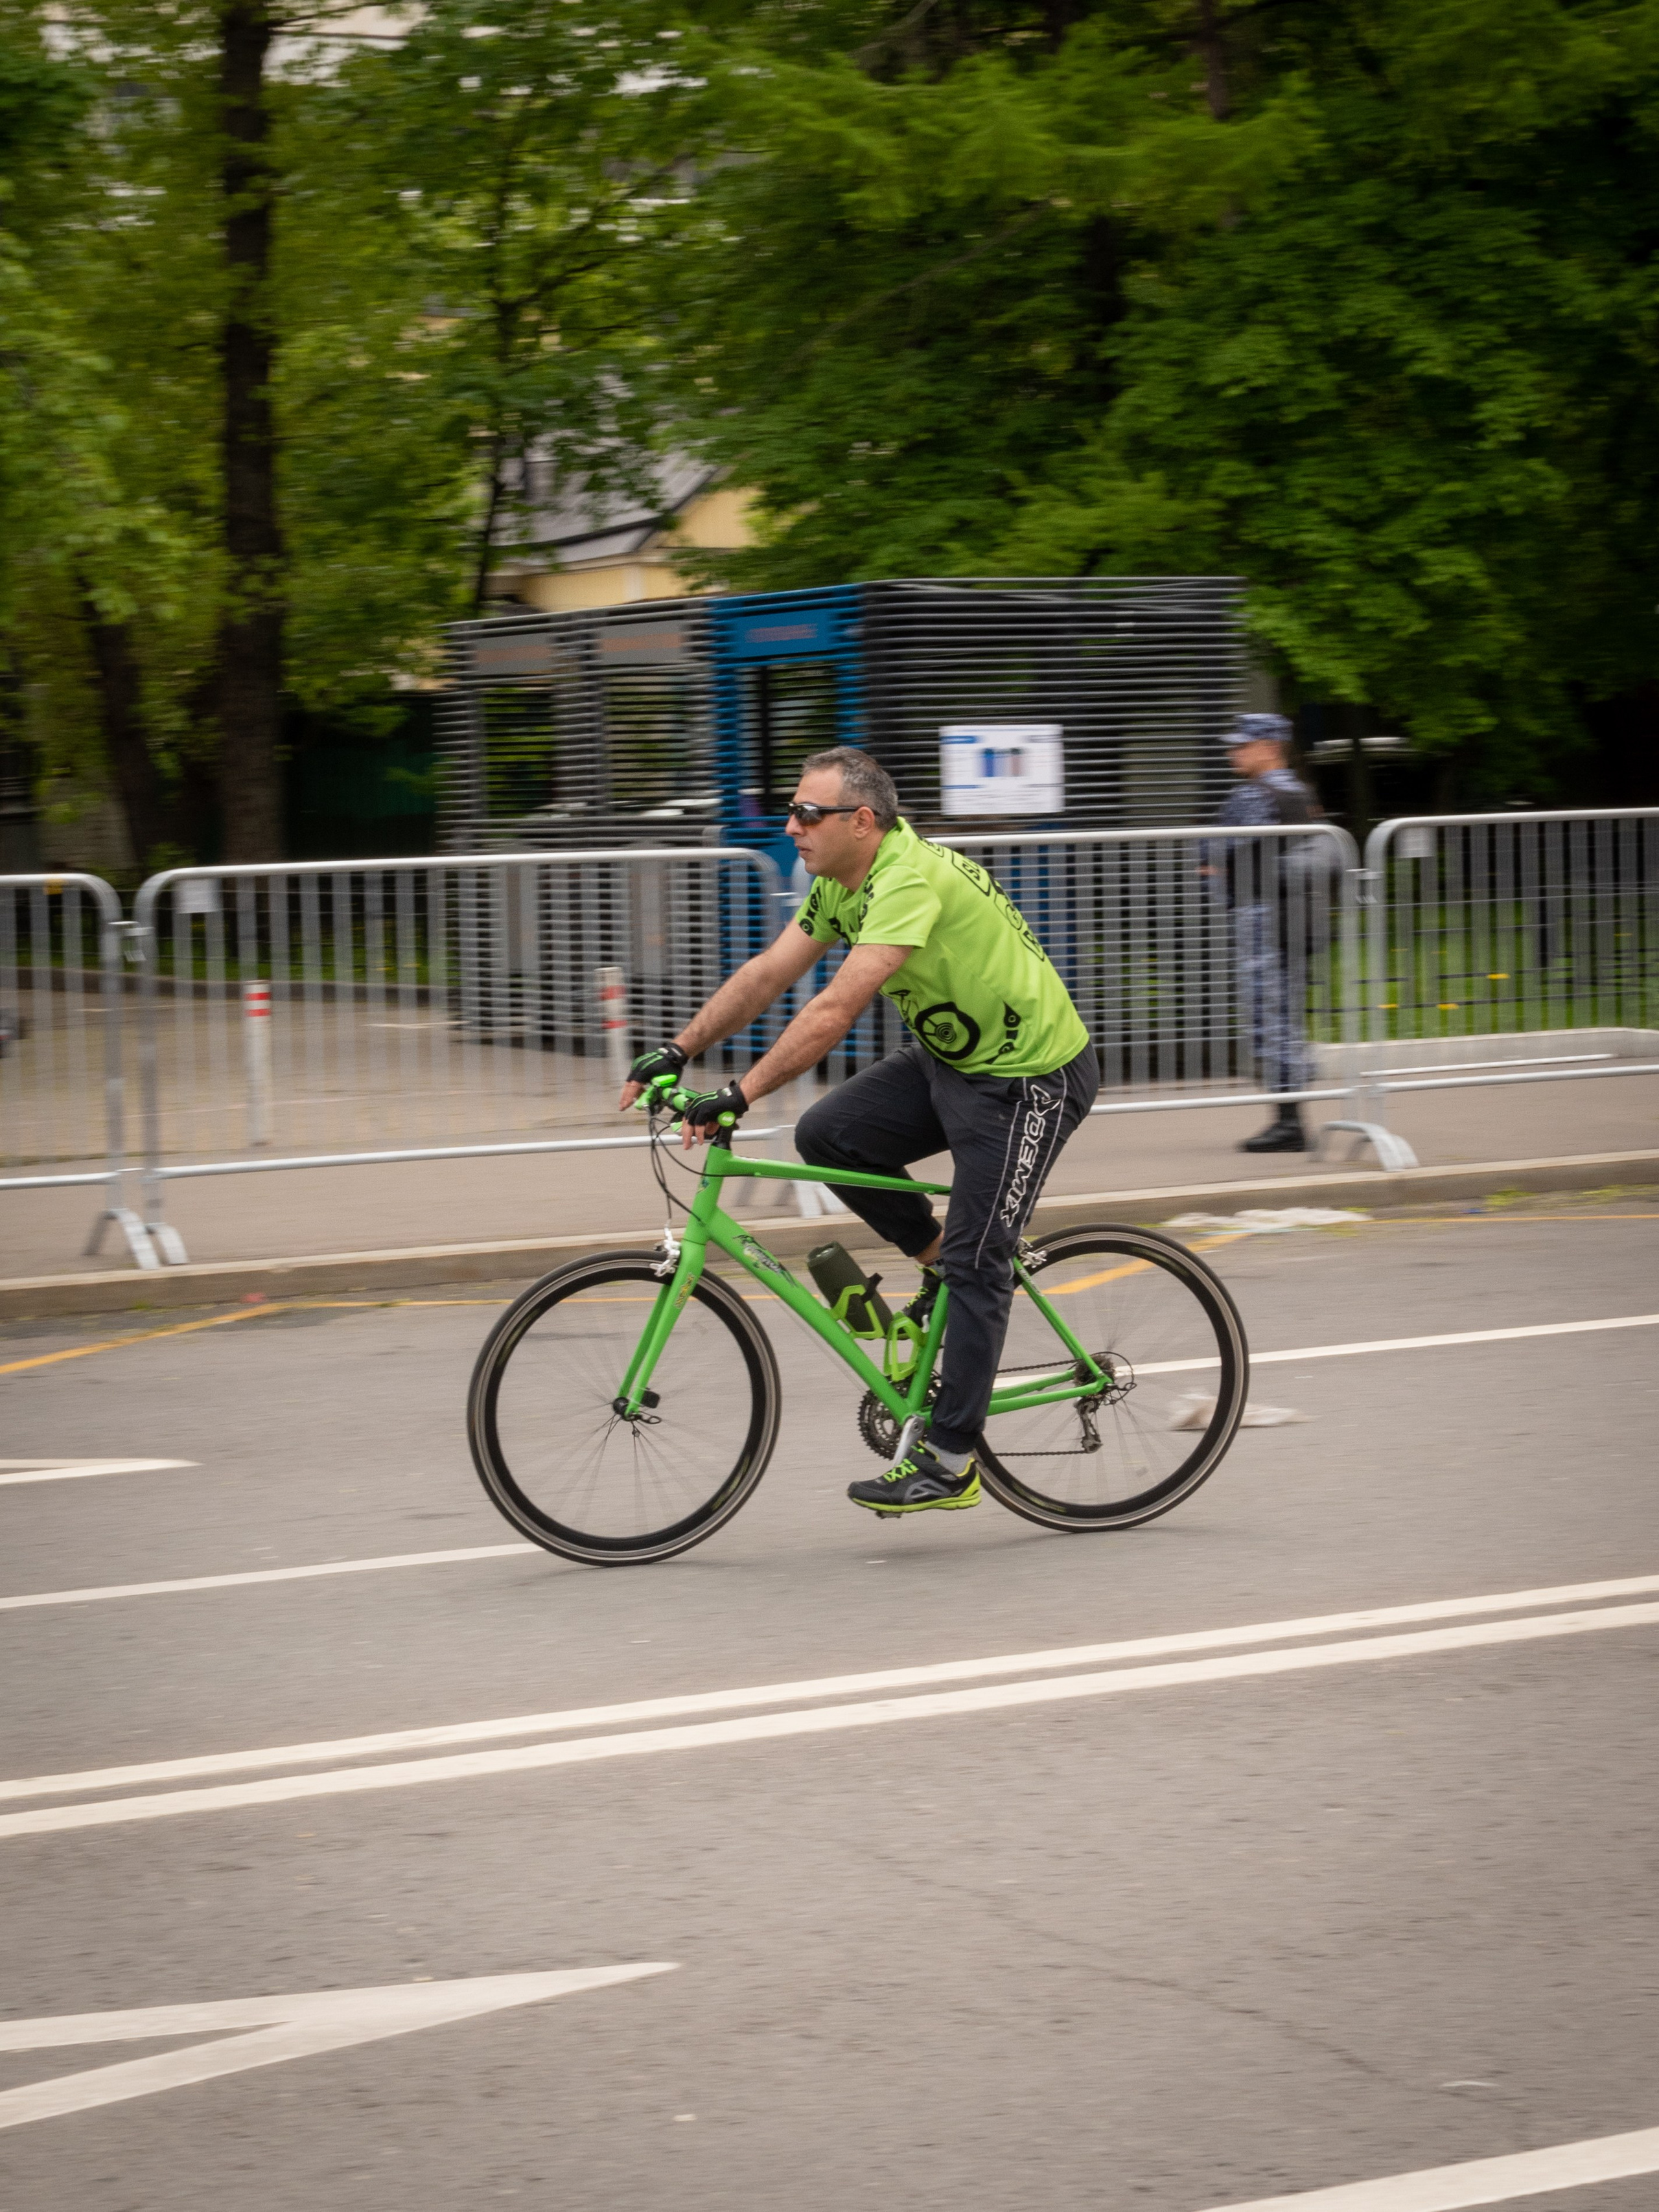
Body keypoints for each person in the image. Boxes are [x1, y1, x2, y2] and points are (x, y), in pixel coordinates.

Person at [619, 745, 1098, 1517]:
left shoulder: (907, 880)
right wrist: (680, 1048)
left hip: (1028, 1081)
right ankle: (937, 1264)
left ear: (862, 821)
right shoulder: (840, 884)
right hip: (952, 1061)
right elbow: (769, 974)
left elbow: (833, 1010)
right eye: (792, 811)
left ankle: (951, 1463)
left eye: (808, 814)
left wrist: (739, 1093)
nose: (791, 827)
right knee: (828, 1135)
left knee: (980, 1262)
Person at [1211, 711, 1321, 1153]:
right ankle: (1291, 1113)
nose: (1233, 752)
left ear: (1271, 748)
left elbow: (1215, 851)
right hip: (1296, 916)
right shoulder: (1300, 792)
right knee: (1285, 1016)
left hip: (1262, 920)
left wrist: (1214, 865)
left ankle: (1289, 1124)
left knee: (1269, 1018)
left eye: (1244, 745)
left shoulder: (1252, 796)